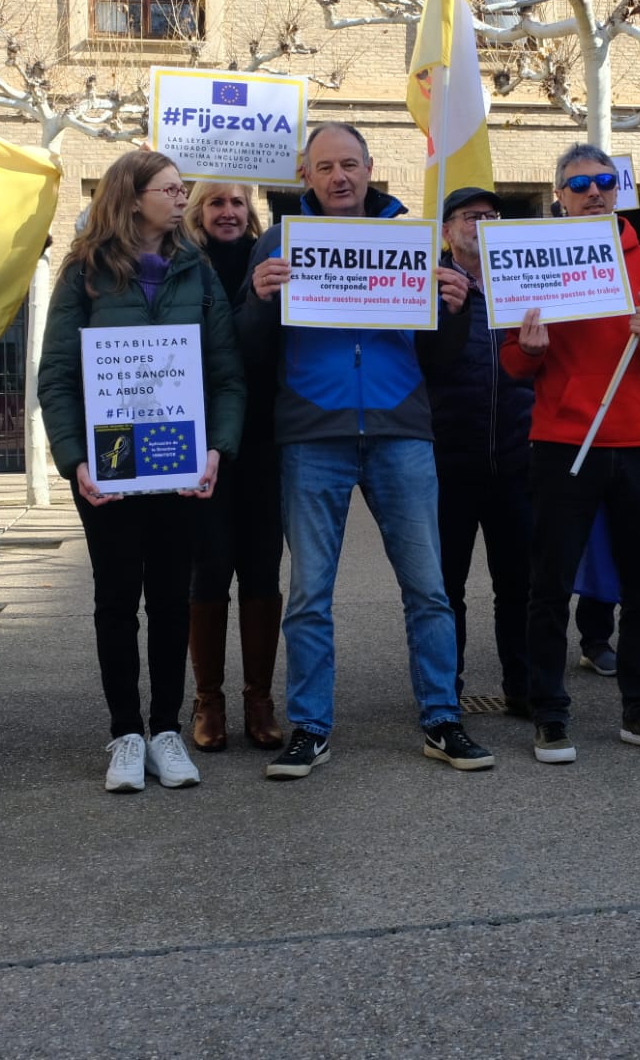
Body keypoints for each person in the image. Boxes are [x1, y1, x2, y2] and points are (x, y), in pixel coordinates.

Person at [239, 122, 494, 778]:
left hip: (400, 431)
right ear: (306, 176)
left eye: (349, 163)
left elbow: (438, 358)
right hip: (312, 434)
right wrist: (261, 300)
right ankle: (310, 727)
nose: (338, 177)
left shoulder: (411, 238)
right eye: (324, 167)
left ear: (370, 166)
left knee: (428, 589)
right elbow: (253, 350)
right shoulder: (278, 242)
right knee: (309, 595)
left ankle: (442, 717)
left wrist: (458, 309)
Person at [38, 153, 245, 794]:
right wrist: (75, 460)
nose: (183, 198)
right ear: (130, 198)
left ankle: (166, 731)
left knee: (171, 598)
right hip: (111, 465)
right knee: (115, 598)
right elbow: (58, 376)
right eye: (171, 190)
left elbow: (227, 374)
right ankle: (125, 733)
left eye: (184, 189)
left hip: (181, 461)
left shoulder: (198, 271)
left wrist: (217, 450)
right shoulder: (82, 273)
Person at [503, 144, 640, 765]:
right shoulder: (533, 263)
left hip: (637, 443)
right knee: (550, 586)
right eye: (579, 183)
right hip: (561, 444)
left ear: (620, 189)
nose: (593, 191)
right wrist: (530, 349)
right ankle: (550, 714)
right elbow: (513, 364)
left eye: (605, 181)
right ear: (559, 194)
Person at [180, 180, 284, 751]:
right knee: (209, 565)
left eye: (237, 203)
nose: (227, 212)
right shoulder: (180, 264)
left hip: (266, 436)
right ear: (198, 210)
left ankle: (260, 700)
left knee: (264, 567)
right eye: (216, 202)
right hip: (201, 438)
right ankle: (209, 702)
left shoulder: (272, 257)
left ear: (251, 212)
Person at [424, 186, 536, 717]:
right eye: (472, 217)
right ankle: (445, 688)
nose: (483, 224)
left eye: (493, 216)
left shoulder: (525, 284)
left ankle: (524, 683)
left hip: (518, 457)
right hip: (447, 460)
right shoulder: (426, 286)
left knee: (519, 583)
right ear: (447, 230)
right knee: (444, 588)